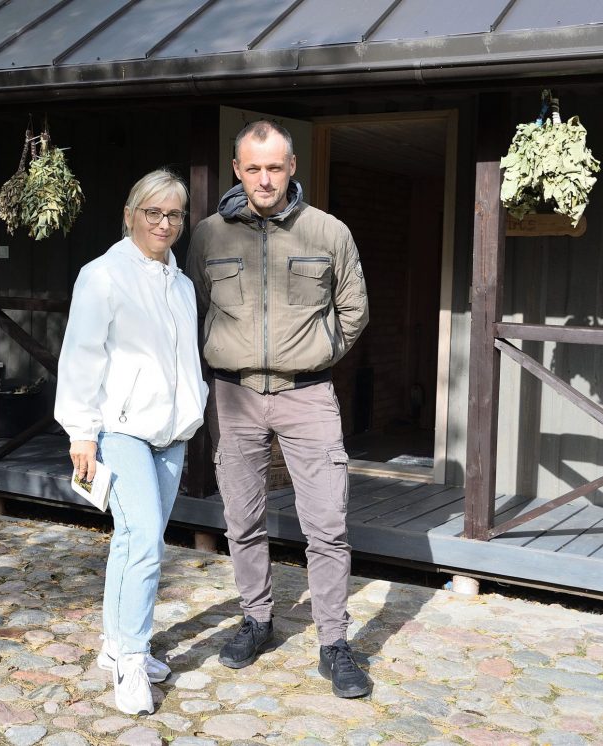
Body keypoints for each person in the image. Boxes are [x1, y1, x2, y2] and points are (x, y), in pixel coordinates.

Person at [186, 120, 372, 698]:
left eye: (274, 167)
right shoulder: (208, 236)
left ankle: (334, 642)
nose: (264, 178)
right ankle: (257, 620)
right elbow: (193, 307)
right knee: (242, 519)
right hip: (234, 396)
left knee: (327, 525)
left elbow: (354, 310)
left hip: (308, 395)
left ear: (292, 167)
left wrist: (314, 356)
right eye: (253, 168)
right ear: (237, 170)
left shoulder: (328, 231)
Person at [54, 169, 208, 715]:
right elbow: (81, 353)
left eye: (174, 214)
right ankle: (132, 659)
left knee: (134, 540)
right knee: (144, 540)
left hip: (171, 433)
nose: (164, 224)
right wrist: (81, 432)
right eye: (153, 212)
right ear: (130, 214)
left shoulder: (181, 284)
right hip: (120, 429)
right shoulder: (103, 275)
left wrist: (194, 405)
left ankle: (115, 643)